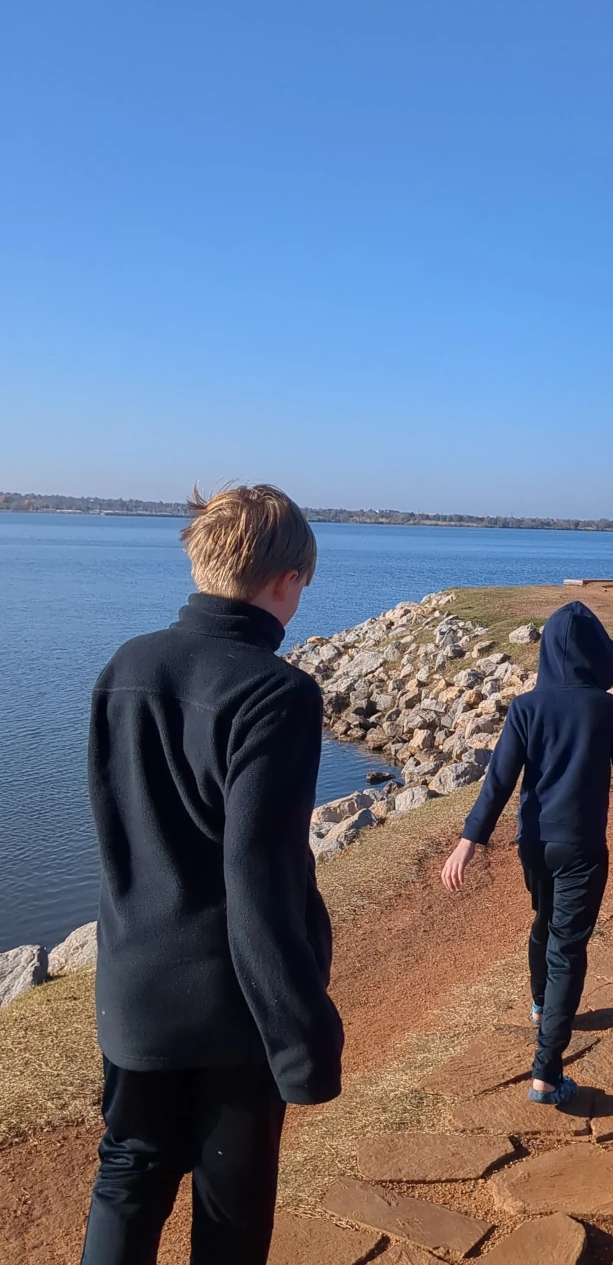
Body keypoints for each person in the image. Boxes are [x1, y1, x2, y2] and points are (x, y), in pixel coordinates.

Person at [80, 485, 343, 1265]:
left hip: (132, 991)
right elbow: (262, 883)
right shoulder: (276, 693)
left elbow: (118, 834)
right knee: (229, 1212)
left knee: (128, 1179)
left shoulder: (125, 666)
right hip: (233, 1012)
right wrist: (302, 1038)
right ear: (288, 580)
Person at [441, 601, 613, 1105]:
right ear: (596, 654)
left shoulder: (524, 707)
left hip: (532, 844)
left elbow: (498, 782)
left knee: (544, 921)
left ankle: (540, 1006)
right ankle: (547, 1075)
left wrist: (468, 841)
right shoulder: (608, 709)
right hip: (581, 847)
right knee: (567, 948)